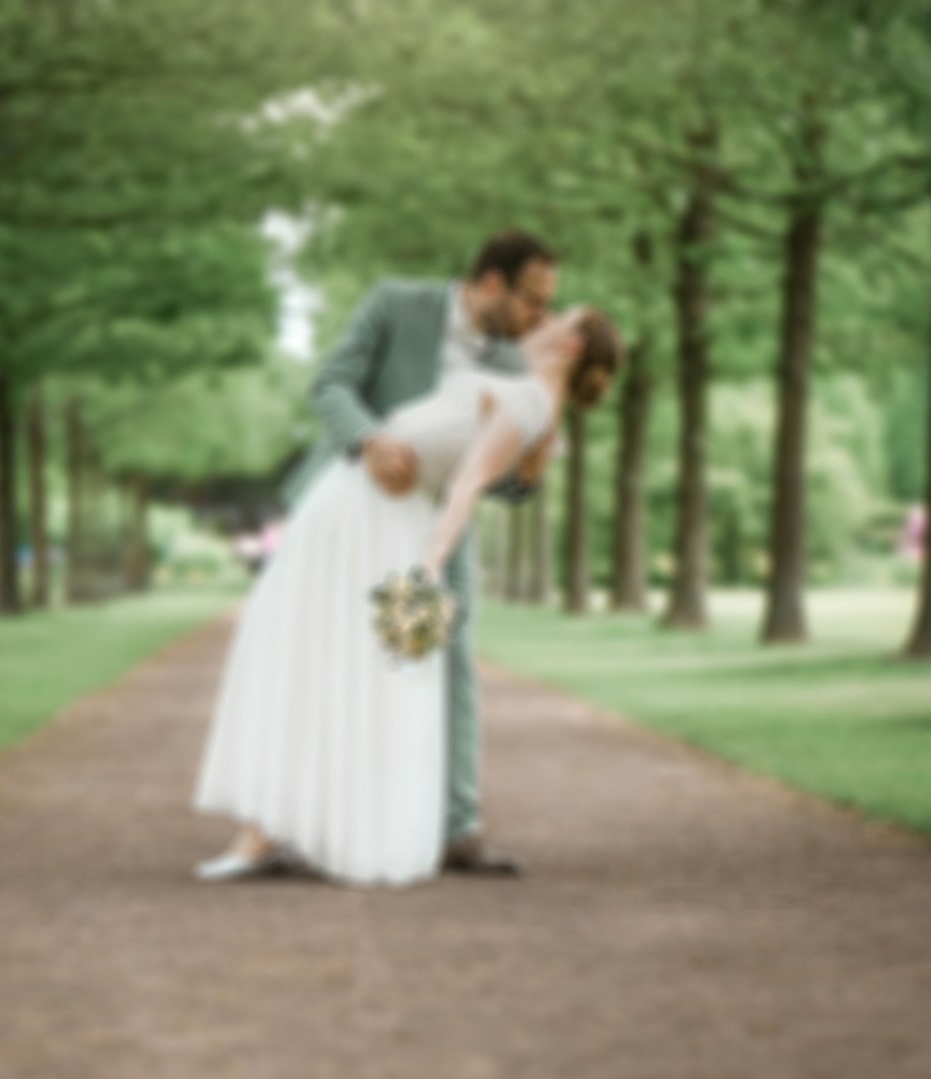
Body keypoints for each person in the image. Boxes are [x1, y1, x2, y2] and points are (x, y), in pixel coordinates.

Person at [191, 307, 622, 886]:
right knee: (320, 664)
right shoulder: (530, 399)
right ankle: (290, 827)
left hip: (385, 526)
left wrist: (428, 565)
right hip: (363, 514)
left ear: (569, 344)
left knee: (323, 665)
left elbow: (468, 483)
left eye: (556, 317)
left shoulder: (529, 405)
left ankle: (281, 832)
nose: (541, 318)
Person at [271, 230, 561, 876]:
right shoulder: (395, 304)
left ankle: (460, 827)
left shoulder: (514, 367)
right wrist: (370, 439)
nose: (540, 319)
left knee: (452, 658)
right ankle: (307, 819)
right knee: (336, 657)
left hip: (439, 527)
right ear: (490, 284)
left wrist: (533, 470)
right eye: (532, 301)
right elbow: (331, 385)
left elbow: (502, 483)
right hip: (353, 507)